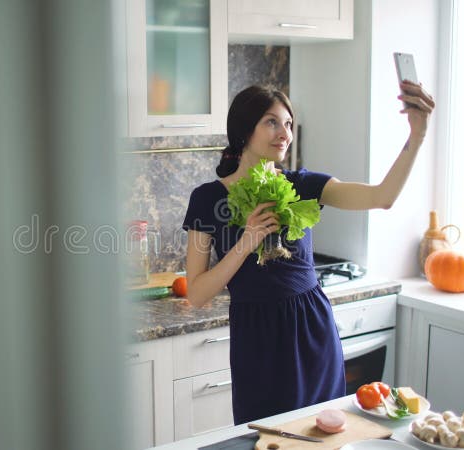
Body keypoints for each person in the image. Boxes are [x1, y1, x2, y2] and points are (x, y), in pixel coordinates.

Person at [181, 83, 434, 425]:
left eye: (288, 124)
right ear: (244, 129)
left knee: (321, 431)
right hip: (256, 335)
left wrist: (416, 135)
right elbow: (196, 293)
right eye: (271, 122)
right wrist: (246, 242)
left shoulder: (304, 185)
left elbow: (382, 197)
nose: (284, 133)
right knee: (267, 436)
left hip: (311, 326)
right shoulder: (206, 199)